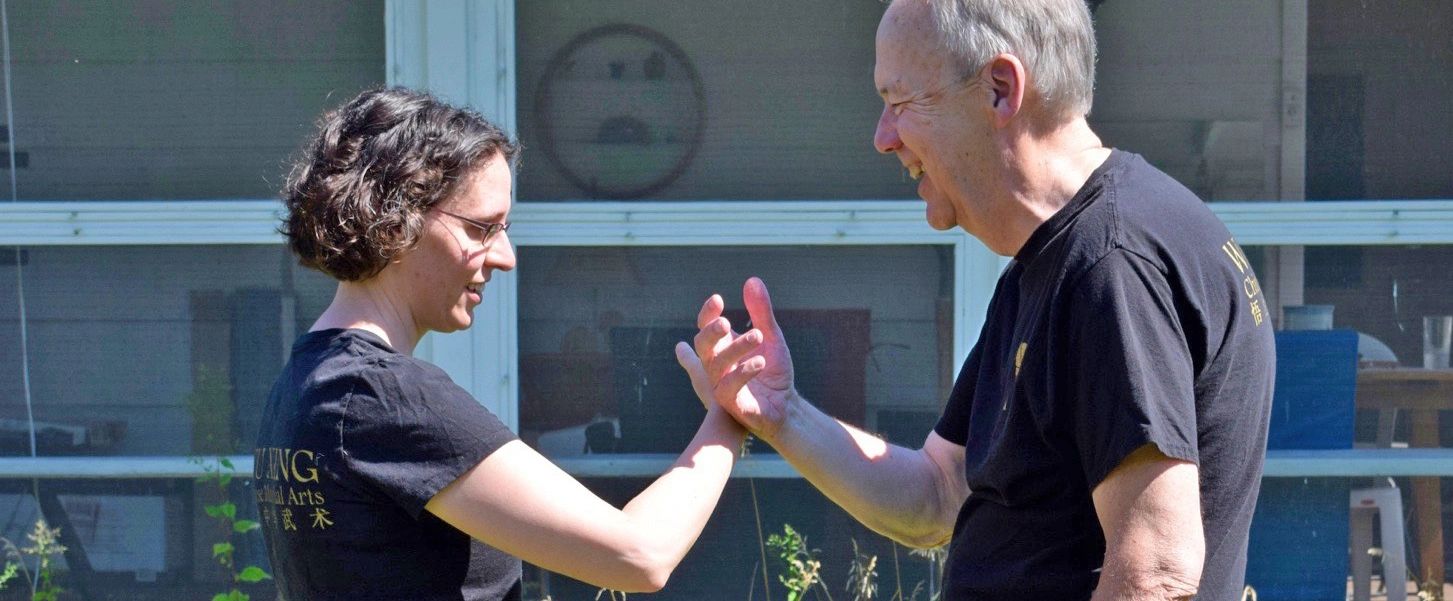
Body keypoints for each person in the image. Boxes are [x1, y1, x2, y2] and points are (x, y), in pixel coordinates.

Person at [682, 1, 1275, 599]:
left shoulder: (1110, 265)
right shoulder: (1053, 261)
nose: (882, 138)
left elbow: (1156, 571)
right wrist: (782, 414)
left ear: (998, 89)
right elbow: (938, 494)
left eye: (899, 102)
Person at [256, 87, 750, 601]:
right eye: (482, 228)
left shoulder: (304, 383)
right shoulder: (385, 398)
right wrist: (726, 419)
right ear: (396, 218)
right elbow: (640, 555)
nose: (506, 257)